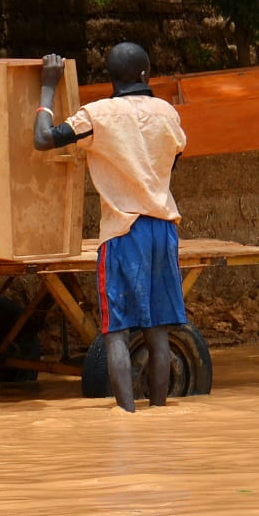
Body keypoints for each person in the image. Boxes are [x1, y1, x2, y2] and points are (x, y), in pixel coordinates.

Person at [33, 43, 188, 412]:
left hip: (122, 233)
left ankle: (126, 419)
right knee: (159, 332)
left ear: (111, 77)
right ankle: (160, 415)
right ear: (145, 74)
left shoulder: (97, 116)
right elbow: (174, 161)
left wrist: (46, 88)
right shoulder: (167, 113)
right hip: (162, 229)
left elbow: (43, 139)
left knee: (116, 332)